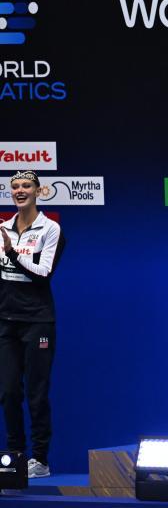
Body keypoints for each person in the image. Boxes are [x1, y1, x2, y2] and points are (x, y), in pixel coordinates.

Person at [0, 171, 65, 478]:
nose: (20, 190)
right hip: (6, 322)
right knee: (8, 392)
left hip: (38, 321)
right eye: (15, 186)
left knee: (37, 393)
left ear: (39, 191)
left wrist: (12, 253)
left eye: (26, 185)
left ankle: (40, 459)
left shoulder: (50, 229)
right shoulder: (3, 229)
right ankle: (15, 458)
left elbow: (43, 273)